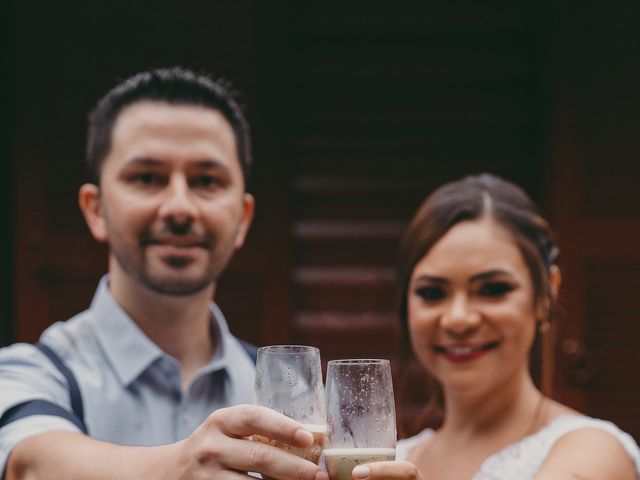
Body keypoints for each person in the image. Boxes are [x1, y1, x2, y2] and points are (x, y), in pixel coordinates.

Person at [0, 67, 329, 480]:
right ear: (95, 209)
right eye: (147, 178)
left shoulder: (291, 395)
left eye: (206, 180)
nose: (179, 208)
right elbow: (31, 466)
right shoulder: (28, 373)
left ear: (243, 218)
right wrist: (181, 466)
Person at [357, 174, 640, 479]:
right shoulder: (388, 461)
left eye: (493, 290)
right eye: (432, 293)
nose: (458, 319)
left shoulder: (593, 454)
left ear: (546, 294)